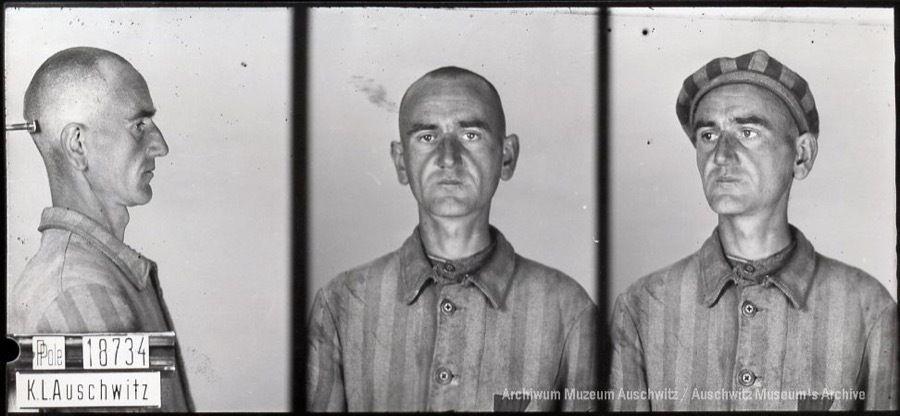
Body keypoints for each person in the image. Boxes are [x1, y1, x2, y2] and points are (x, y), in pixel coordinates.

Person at [610, 49, 897, 411]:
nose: (722, 156)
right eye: (709, 135)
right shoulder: (642, 308)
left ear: (802, 155)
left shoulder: (868, 310)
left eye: (747, 132)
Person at [307, 66, 598, 411]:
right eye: (427, 137)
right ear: (401, 162)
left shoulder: (568, 310)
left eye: (471, 135)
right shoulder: (341, 304)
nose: (448, 158)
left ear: (506, 156)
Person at [9, 47, 192, 411]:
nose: (161, 146)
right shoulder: (83, 294)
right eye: (139, 125)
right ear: (78, 145)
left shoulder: (89, 276)